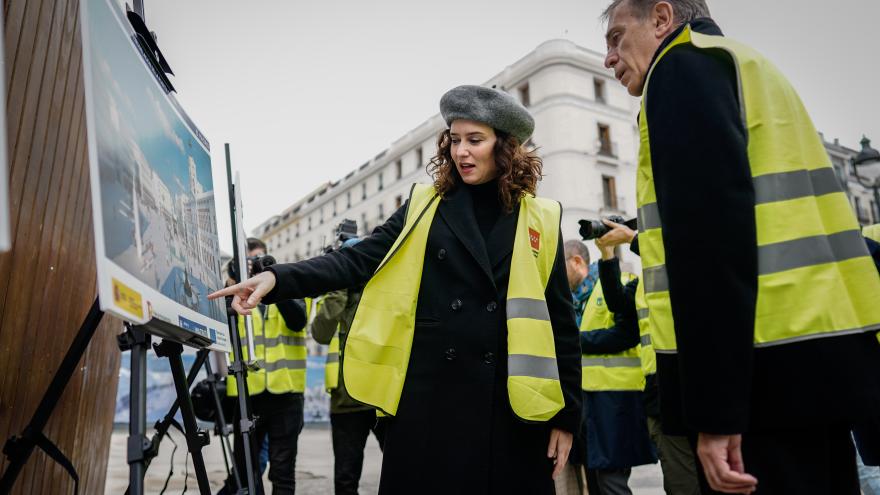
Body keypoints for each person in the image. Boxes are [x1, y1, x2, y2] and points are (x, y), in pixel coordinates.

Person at [210, 85, 582, 494]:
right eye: (455, 140)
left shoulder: (542, 218)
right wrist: (279, 279)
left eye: (475, 140)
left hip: (510, 407)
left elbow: (561, 324)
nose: (461, 152)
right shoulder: (426, 203)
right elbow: (358, 259)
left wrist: (566, 417)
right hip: (431, 402)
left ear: (505, 147)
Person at [601, 1, 880, 493]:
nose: (609, 57)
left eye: (617, 37)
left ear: (662, 18)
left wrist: (717, 411)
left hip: (758, 383)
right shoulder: (742, 64)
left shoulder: (679, 69)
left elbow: (708, 245)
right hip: (811, 366)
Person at [593, 220, 700, 495]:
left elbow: (679, 260)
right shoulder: (642, 283)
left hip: (691, 380)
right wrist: (607, 253)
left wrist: (632, 238)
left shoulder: (681, 259)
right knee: (679, 481)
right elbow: (617, 303)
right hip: (657, 388)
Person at [564, 240, 655, 495]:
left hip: (615, 399)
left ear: (577, 261)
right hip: (584, 399)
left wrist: (574, 342)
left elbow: (626, 334)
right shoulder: (571, 298)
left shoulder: (618, 282)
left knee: (610, 481)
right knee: (594, 481)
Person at [224, 237, 309, 495]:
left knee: (283, 472)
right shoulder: (233, 296)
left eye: (260, 259)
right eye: (249, 262)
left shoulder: (289, 285)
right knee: (246, 473)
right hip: (247, 394)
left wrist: (274, 285)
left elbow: (298, 321)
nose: (255, 266)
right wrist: (233, 281)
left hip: (286, 394)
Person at [310, 237, 387, 495]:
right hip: (345, 401)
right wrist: (339, 287)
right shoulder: (336, 295)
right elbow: (320, 334)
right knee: (345, 478)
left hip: (382, 398)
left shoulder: (382, 291)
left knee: (402, 471)